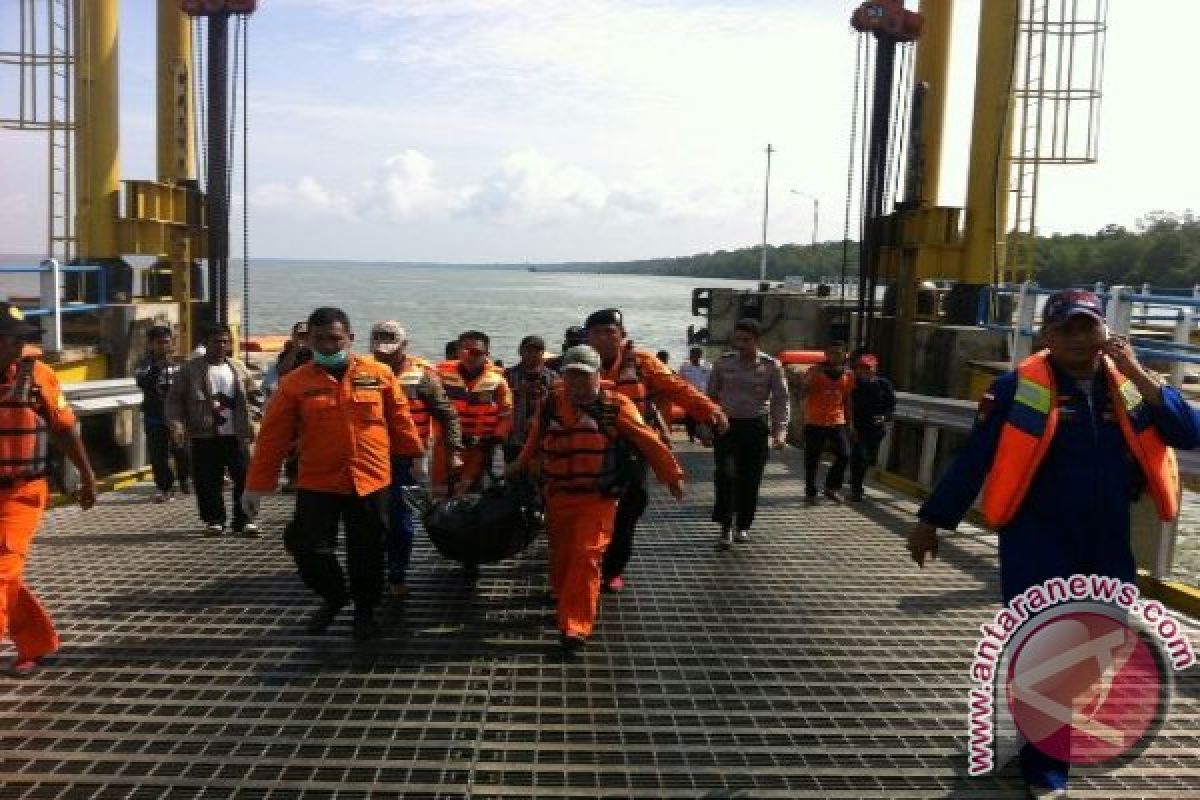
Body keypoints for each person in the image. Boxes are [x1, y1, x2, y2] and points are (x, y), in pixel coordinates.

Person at [906, 289, 1200, 797]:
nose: (1079, 339)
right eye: (1066, 329)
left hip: (1106, 538)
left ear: (1105, 332)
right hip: (1037, 537)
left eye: (1089, 328)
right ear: (1047, 335)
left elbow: (1188, 432)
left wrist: (1137, 372)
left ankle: (1034, 727)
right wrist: (932, 520)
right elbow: (974, 459)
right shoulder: (1015, 388)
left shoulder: (1129, 387)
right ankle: (1046, 767)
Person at [242, 307, 425, 641]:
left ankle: (365, 611)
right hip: (318, 480)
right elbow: (273, 436)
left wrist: (415, 458)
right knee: (306, 547)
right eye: (319, 338)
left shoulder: (378, 374)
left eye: (335, 338)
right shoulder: (295, 384)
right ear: (307, 340)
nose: (327, 345)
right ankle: (334, 596)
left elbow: (400, 418)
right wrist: (255, 487)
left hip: (370, 478)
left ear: (350, 339)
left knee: (368, 551)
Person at [507, 345, 684, 651]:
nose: (577, 384)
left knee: (587, 555)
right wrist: (518, 466)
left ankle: (575, 626)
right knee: (562, 554)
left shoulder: (614, 406)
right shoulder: (552, 402)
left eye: (584, 377)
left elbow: (649, 442)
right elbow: (534, 439)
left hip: (598, 497)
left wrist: (672, 476)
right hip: (558, 493)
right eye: (571, 376)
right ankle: (563, 595)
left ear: (598, 376)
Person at [585, 308, 729, 592]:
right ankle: (585, 563)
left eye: (609, 332)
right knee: (586, 505)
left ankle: (613, 568)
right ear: (588, 337)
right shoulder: (579, 363)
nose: (603, 338)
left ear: (622, 335)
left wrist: (710, 410)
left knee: (631, 506)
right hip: (588, 444)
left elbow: (677, 388)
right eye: (596, 333)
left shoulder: (642, 363)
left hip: (633, 445)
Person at [0, 302, 97, 675]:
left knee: (2, 569)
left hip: (22, 492)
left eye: (24, 339)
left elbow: (66, 428)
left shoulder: (39, 376)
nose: (20, 346)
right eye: (14, 338)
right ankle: (36, 643)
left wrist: (87, 477)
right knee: (7, 576)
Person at [369, 320, 463, 599]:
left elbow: (448, 415)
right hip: (367, 457)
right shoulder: (360, 373)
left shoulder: (422, 377)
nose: (384, 357)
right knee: (367, 520)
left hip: (408, 459)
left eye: (390, 351)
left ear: (404, 347)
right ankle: (372, 572)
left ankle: (397, 574)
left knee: (401, 520)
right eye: (379, 352)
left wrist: (454, 451)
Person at [166, 323, 260, 536]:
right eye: (216, 341)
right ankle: (214, 520)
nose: (221, 345)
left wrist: (253, 417)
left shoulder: (238, 367)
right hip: (204, 434)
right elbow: (174, 401)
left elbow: (255, 395)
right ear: (206, 343)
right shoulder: (190, 370)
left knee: (245, 477)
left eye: (225, 341)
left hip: (237, 434)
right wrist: (176, 425)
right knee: (207, 480)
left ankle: (245, 520)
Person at [706, 318, 789, 548]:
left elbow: (781, 400)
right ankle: (725, 525)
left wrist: (780, 431)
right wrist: (706, 424)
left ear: (757, 340)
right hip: (727, 426)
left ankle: (743, 524)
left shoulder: (772, 366)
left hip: (756, 427)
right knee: (726, 474)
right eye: (737, 339)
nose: (740, 344)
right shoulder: (723, 363)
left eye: (746, 340)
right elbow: (710, 396)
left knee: (750, 479)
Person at [433, 331, 513, 498]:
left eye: (476, 352)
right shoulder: (438, 375)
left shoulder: (497, 380)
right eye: (465, 350)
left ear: (486, 355)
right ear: (458, 351)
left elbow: (506, 414)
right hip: (446, 446)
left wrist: (496, 438)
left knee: (474, 494)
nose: (470, 356)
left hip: (480, 447)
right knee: (440, 492)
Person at [134, 325, 191, 502]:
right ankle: (164, 487)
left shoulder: (180, 363)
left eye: (167, 342)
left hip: (177, 417)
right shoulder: (144, 364)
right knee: (158, 454)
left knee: (181, 450)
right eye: (160, 343)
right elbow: (142, 382)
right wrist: (158, 368)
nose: (165, 346)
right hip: (155, 416)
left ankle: (184, 479)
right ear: (151, 344)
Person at [799, 341, 855, 504]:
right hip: (815, 421)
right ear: (826, 354)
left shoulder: (849, 375)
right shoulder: (816, 370)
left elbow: (847, 399)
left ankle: (832, 487)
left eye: (839, 353)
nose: (835, 356)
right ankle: (810, 492)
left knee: (844, 454)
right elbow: (803, 392)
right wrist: (808, 380)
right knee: (812, 458)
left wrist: (850, 423)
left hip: (837, 420)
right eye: (831, 353)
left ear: (845, 354)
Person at [847, 353, 895, 501]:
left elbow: (891, 405)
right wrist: (850, 424)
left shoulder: (884, 384)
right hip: (857, 426)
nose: (863, 371)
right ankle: (856, 489)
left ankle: (856, 479)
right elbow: (847, 404)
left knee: (868, 458)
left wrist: (885, 417)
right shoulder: (852, 383)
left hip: (876, 427)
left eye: (867, 368)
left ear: (874, 369)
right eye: (860, 368)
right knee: (859, 456)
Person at [503, 335, 557, 464]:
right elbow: (497, 403)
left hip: (542, 438)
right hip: (514, 437)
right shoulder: (507, 374)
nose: (532, 354)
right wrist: (516, 392)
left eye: (537, 351)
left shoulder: (553, 376)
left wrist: (546, 396)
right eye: (528, 350)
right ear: (520, 351)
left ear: (543, 353)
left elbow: (559, 404)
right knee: (513, 477)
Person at [262, 321, 311, 398]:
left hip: (308, 382)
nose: (303, 338)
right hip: (291, 380)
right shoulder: (289, 350)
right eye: (300, 335)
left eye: (306, 335)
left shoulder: (316, 350)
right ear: (293, 336)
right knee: (271, 383)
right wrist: (295, 350)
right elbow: (281, 371)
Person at [678, 346, 713, 443]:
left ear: (700, 355)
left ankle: (706, 437)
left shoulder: (708, 366)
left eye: (696, 355)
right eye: (692, 355)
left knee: (706, 416)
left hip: (704, 396)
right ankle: (691, 436)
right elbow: (679, 381)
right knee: (690, 417)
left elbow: (712, 381)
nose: (694, 357)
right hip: (690, 396)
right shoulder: (684, 367)